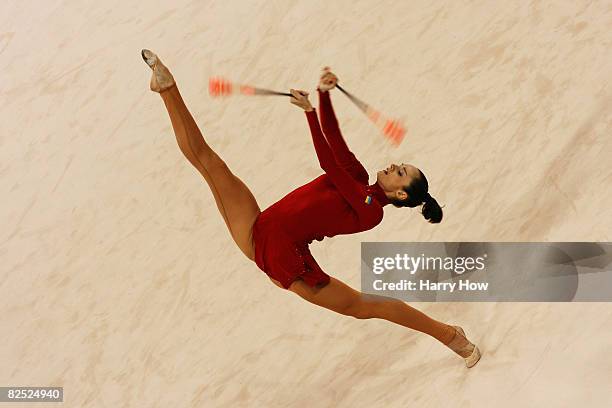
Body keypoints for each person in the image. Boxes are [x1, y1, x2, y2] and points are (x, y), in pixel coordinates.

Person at [140, 50, 481, 368]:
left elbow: (329, 166)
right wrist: (324, 94)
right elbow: (334, 141)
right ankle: (166, 86)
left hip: (286, 256)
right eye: (400, 165)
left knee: (368, 306)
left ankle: (450, 336)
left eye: (401, 173)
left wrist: (309, 114)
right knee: (210, 164)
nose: (395, 166)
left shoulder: (369, 211)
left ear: (401, 196)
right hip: (261, 225)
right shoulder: (358, 175)